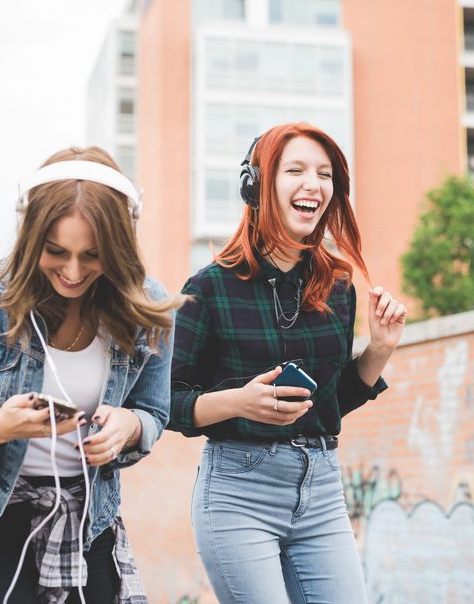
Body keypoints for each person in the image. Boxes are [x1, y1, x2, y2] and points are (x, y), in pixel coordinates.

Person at [0, 147, 182, 604]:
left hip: (87, 521)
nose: (73, 271)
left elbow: (153, 413)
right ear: (29, 232)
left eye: (93, 255)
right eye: (56, 252)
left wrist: (131, 427)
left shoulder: (147, 307)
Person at [168, 122, 407, 603]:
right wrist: (239, 402)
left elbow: (331, 401)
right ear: (257, 186)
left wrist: (379, 348)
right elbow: (165, 404)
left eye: (324, 174)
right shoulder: (209, 288)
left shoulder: (338, 286)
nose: (313, 184)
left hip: (320, 487)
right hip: (238, 494)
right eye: (294, 169)